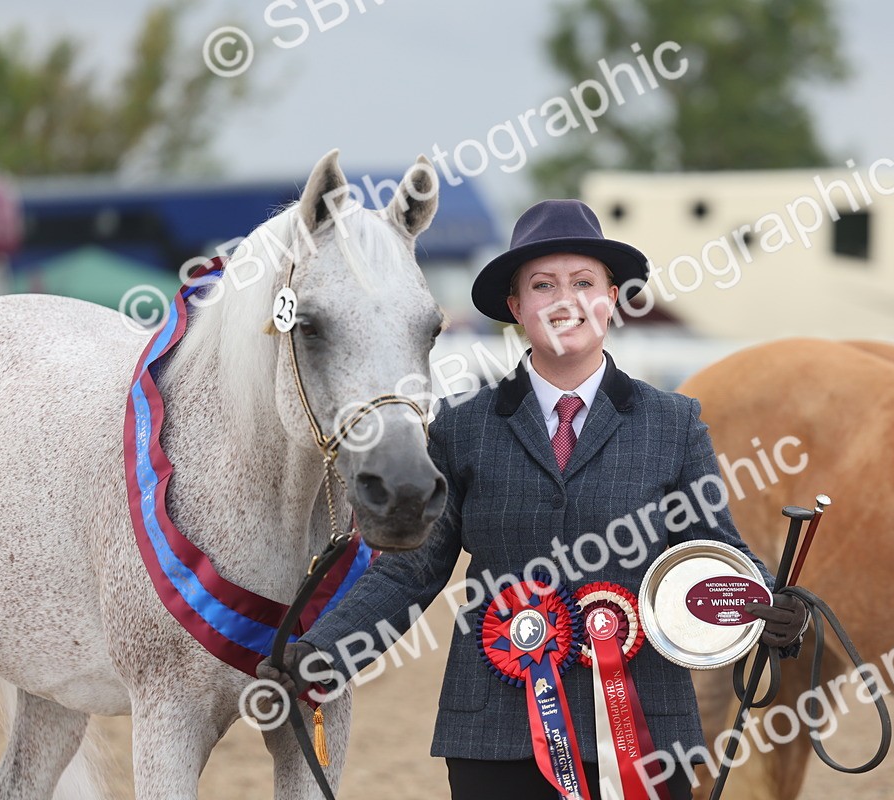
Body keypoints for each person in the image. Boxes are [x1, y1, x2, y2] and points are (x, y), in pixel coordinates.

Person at [259, 199, 807, 799]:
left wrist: (766, 599)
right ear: (517, 309)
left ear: (611, 301)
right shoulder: (460, 430)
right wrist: (322, 652)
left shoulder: (673, 425)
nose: (564, 299)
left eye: (583, 283)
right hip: (495, 735)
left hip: (643, 736)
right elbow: (411, 575)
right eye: (543, 286)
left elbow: (709, 549)